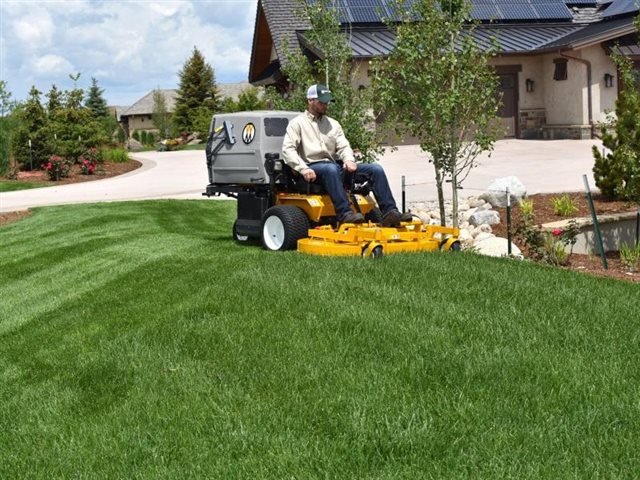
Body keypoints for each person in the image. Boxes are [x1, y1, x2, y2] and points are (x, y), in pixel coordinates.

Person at [281, 84, 412, 226]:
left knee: (375, 169)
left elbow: (344, 146)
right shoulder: (297, 124)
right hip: (311, 169)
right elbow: (288, 150)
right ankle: (345, 214)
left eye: (327, 102)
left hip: (333, 168)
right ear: (310, 101)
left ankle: (390, 213)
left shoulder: (333, 124)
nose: (326, 105)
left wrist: (349, 159)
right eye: (322, 102)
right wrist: (302, 168)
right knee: (330, 169)